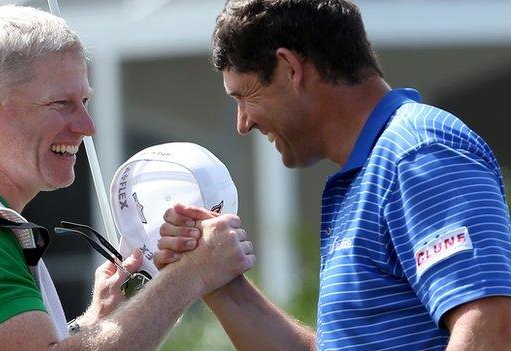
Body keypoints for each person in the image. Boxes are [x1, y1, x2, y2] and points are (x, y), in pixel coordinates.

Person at [0, 5, 255, 351]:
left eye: (85, 102)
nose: (87, 126)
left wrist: (94, 322)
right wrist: (189, 276)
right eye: (61, 104)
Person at [156, 0, 511, 350]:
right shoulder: (378, 167)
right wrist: (216, 279)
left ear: (289, 68)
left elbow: (492, 329)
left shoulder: (417, 154)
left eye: (244, 95)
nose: (243, 123)